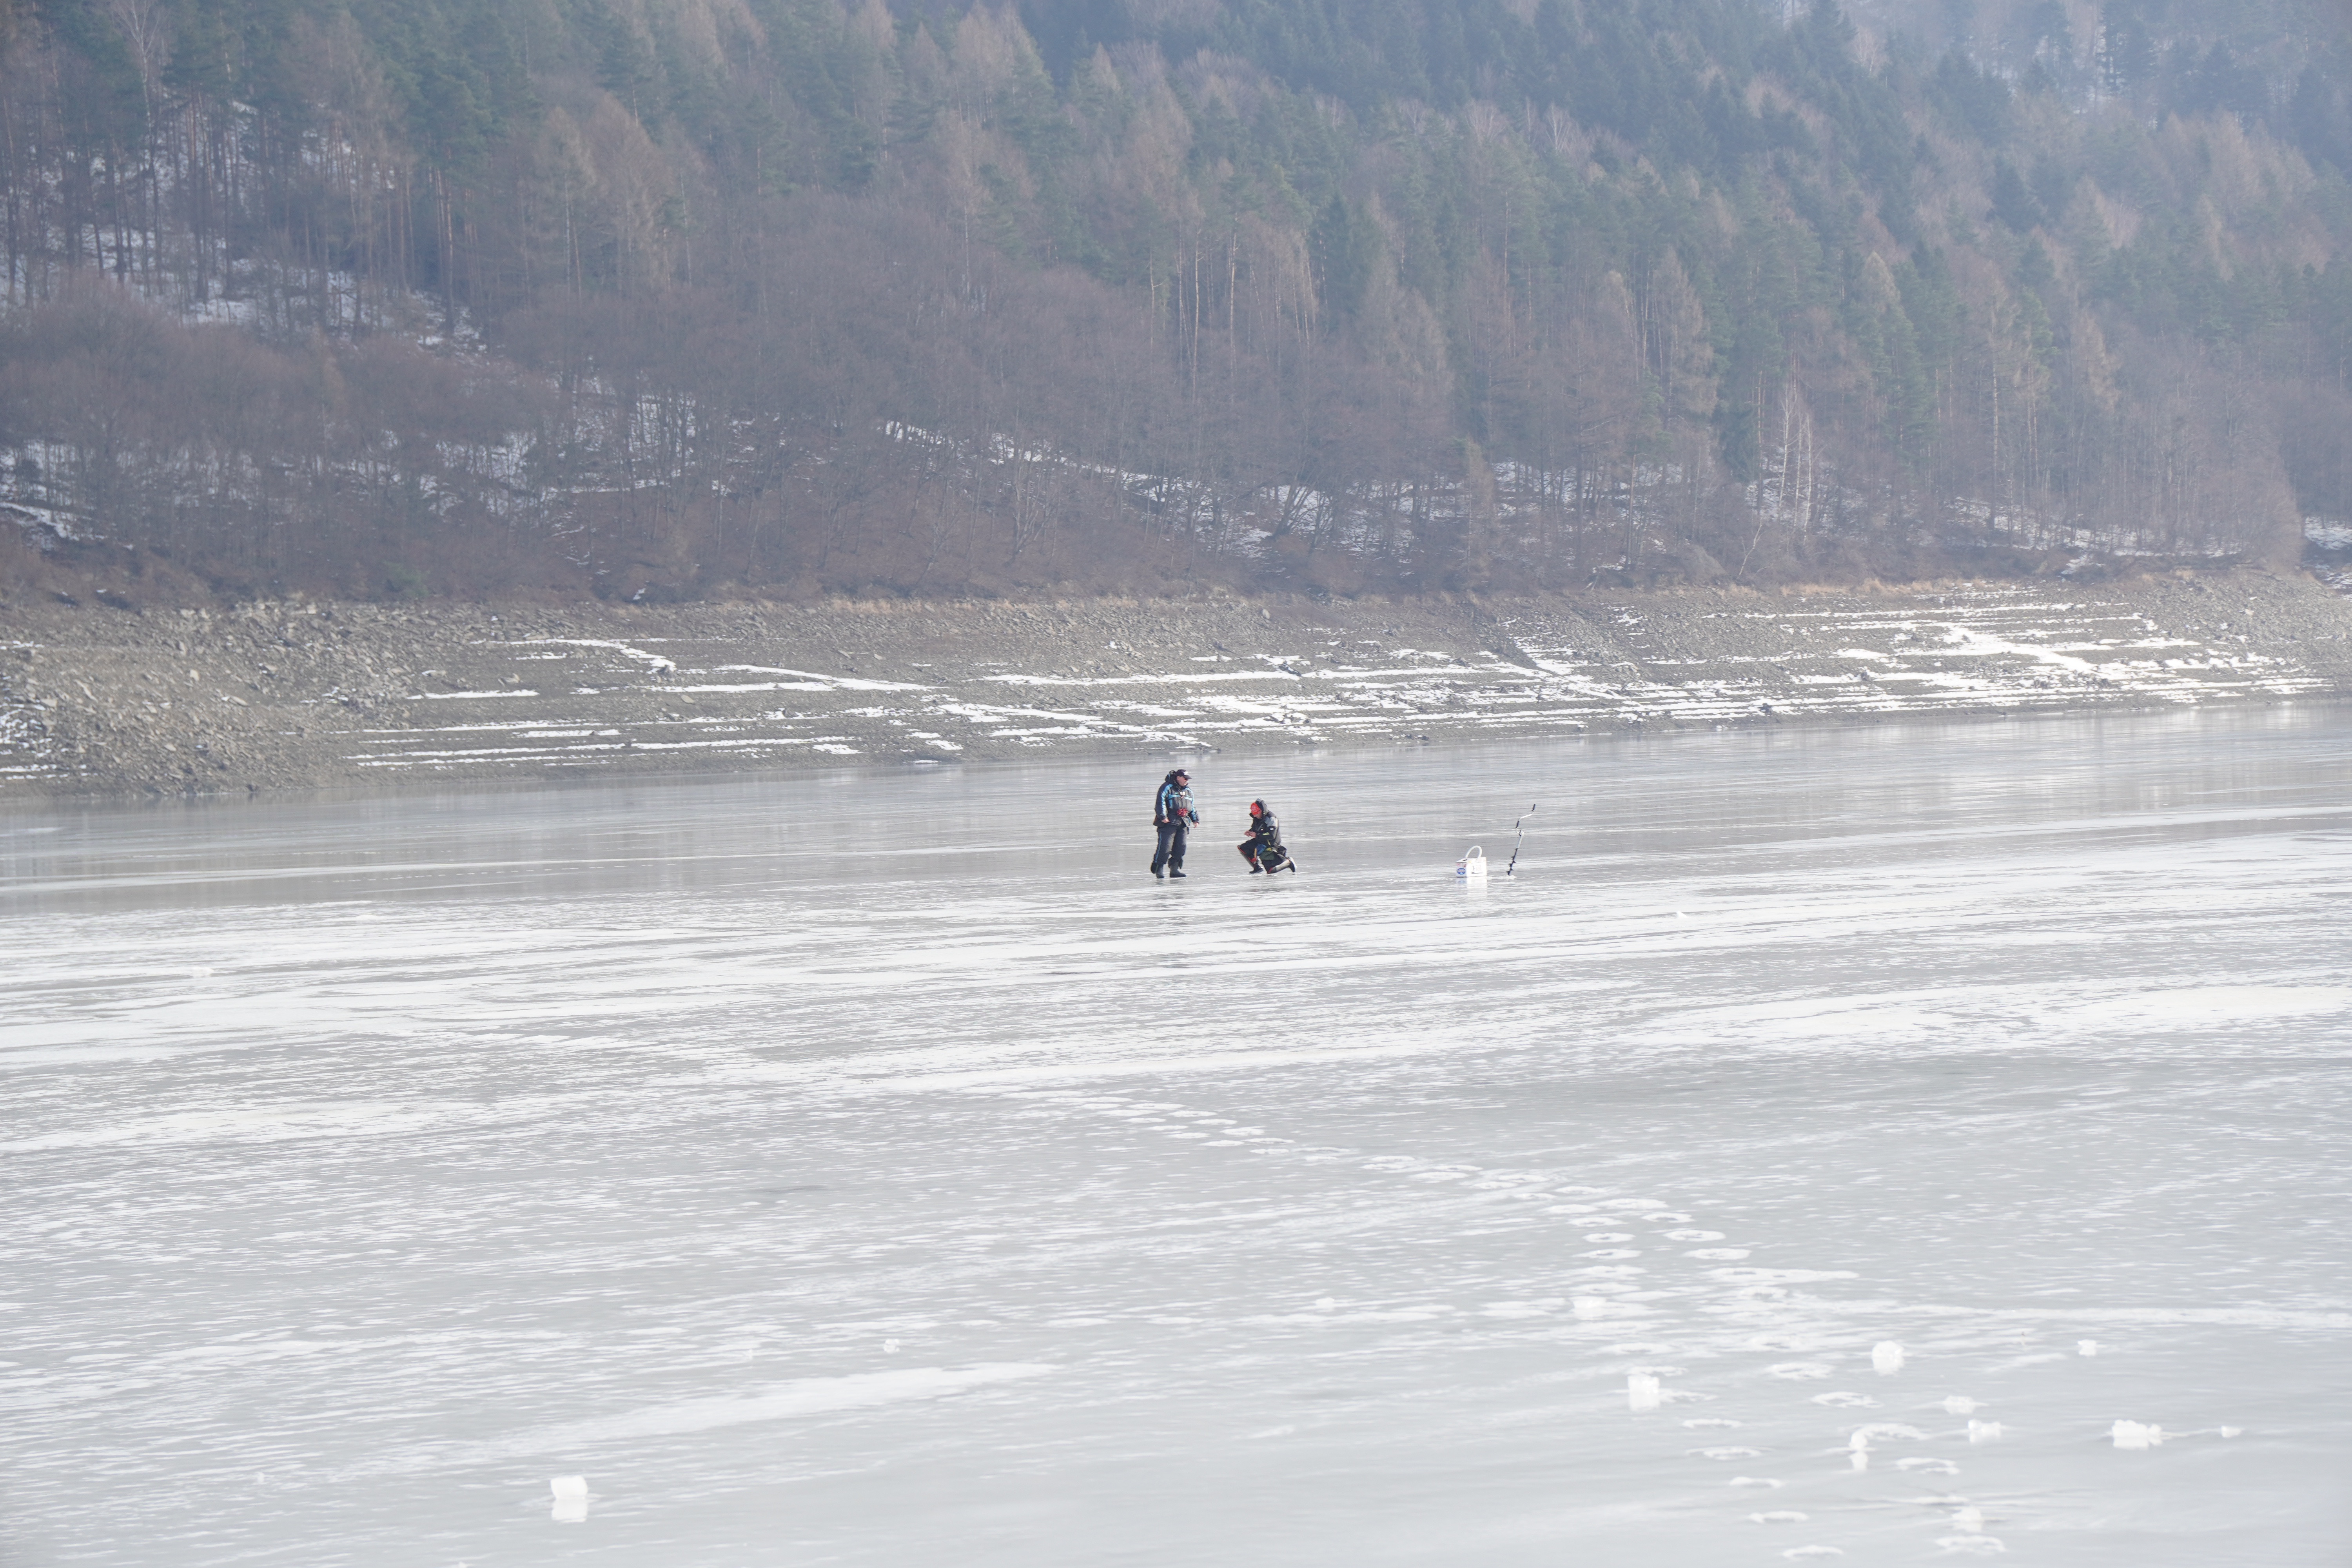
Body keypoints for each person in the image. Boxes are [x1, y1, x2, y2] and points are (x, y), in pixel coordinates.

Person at [1151, 768, 1198, 879]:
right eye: (1185, 779)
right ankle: (1159, 870)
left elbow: (1192, 806)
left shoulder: (1188, 791)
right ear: (1179, 778)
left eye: (1188, 779)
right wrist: (1163, 817)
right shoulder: (1167, 787)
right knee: (1165, 847)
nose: (1187, 781)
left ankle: (1175, 869)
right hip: (1169, 823)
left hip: (1183, 823)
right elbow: (1160, 802)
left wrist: (1195, 819)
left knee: (1180, 848)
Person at [1237, 798, 1295, 874]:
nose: (1254, 816)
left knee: (1271, 870)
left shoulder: (1271, 819)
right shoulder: (1258, 818)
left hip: (1270, 843)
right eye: (1253, 814)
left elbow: (1272, 835)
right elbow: (1256, 829)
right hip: (1260, 840)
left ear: (1260, 811)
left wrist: (1257, 835)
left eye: (1256, 814)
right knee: (1243, 848)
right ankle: (1257, 868)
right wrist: (1251, 832)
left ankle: (1288, 862)